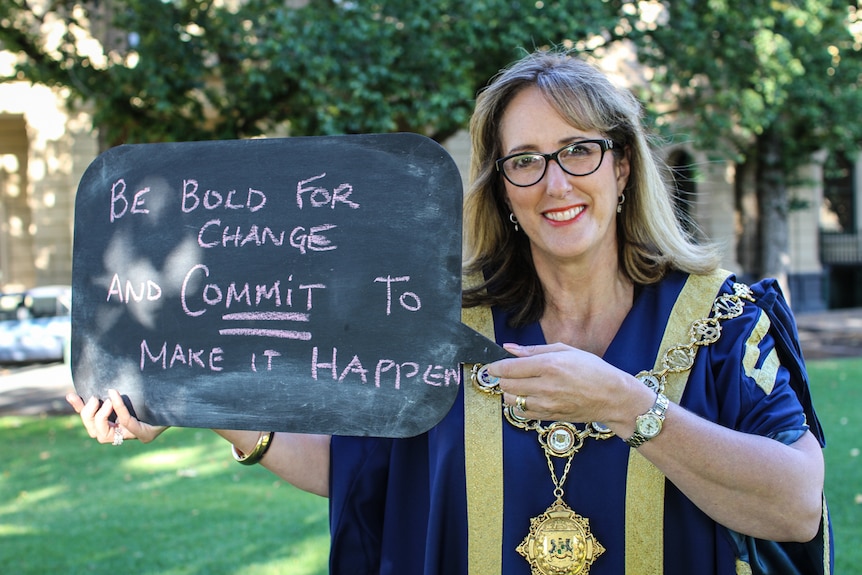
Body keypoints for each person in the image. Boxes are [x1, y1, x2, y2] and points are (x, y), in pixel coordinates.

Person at [67, 49, 832, 575]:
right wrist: (196, 399)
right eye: (524, 161)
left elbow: (797, 505)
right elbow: (361, 472)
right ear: (501, 185)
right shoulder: (434, 325)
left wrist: (630, 405)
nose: (555, 182)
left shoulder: (725, 320)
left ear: (623, 163)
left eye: (580, 150)